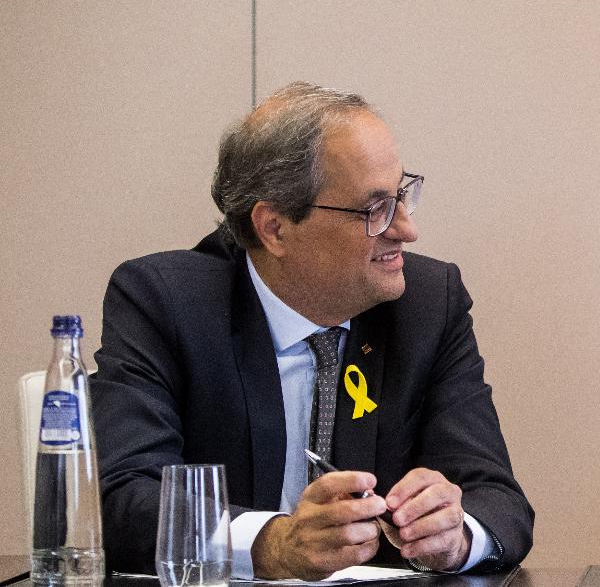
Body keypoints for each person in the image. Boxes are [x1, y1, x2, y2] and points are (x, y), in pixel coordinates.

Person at [92, 83, 533, 579]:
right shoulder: (166, 303)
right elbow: (121, 498)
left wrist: (456, 534)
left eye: (403, 196)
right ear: (275, 228)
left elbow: (499, 501)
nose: (407, 230)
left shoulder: (428, 303)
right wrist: (272, 543)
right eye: (375, 209)